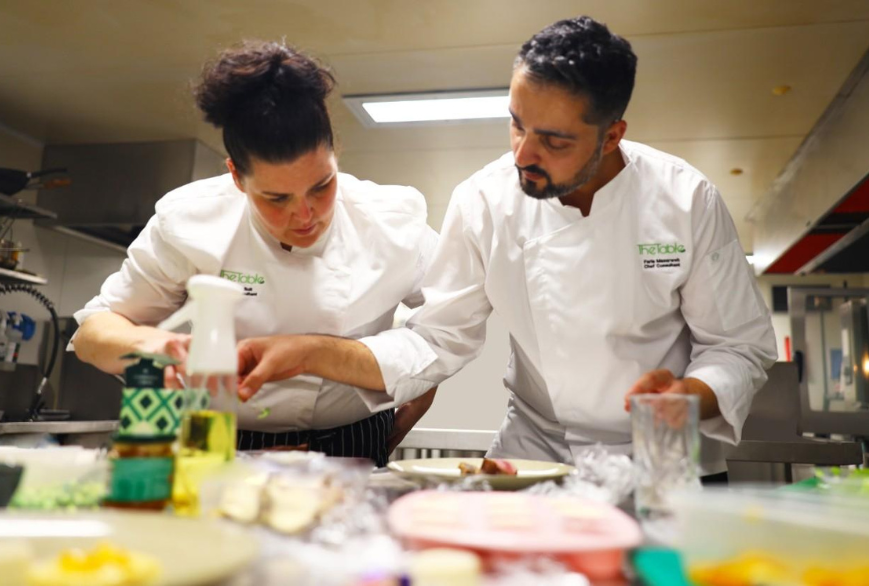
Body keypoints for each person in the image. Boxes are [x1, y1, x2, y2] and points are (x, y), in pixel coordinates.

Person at [234, 17, 778, 476]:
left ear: (612, 135)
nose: (523, 154)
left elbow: (738, 346)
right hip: (537, 455)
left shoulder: (686, 199)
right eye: (517, 125)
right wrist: (311, 352)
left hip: (665, 459)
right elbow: (439, 337)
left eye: (554, 141)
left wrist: (690, 396)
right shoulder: (484, 200)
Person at [71, 41, 438, 467]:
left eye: (321, 187)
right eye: (276, 198)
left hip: (350, 438)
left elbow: (445, 331)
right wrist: (160, 345)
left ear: (334, 154)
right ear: (237, 177)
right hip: (217, 438)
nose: (305, 216)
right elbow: (93, 334)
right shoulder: (190, 218)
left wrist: (419, 385)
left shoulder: (393, 219)